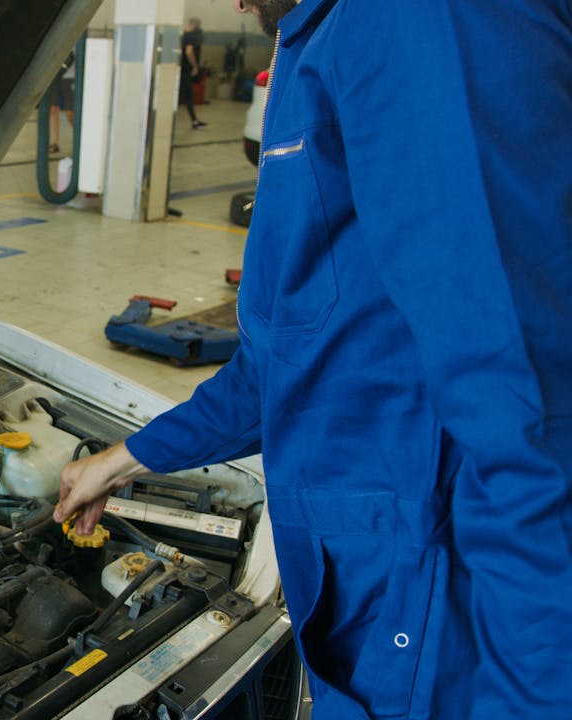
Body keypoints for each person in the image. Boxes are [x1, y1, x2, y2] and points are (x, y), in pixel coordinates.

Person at [53, 1, 572, 718]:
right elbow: (281, 357)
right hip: (361, 588)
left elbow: (524, 406)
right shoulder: (314, 39)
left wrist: (538, 691)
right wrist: (125, 459)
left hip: (434, 600)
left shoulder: (426, 21)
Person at [179, 17, 206, 129]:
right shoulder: (192, 35)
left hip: (180, 68)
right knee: (187, 95)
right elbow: (189, 51)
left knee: (188, 95)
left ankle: (195, 121)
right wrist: (195, 66)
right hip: (185, 70)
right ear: (195, 24)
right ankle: (194, 121)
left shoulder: (182, 34)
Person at [48, 51, 76, 154]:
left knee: (69, 113)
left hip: (70, 76)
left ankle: (77, 136)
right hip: (54, 76)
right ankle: (55, 143)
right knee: (53, 110)